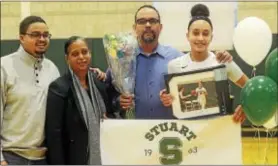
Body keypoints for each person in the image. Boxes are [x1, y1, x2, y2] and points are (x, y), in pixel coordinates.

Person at [109, 5, 233, 119]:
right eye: (142, 21)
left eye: (153, 21)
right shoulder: (122, 60)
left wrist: (222, 56)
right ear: (135, 28)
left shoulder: (176, 58)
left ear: (160, 27)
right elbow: (106, 92)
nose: (147, 25)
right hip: (134, 132)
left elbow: (202, 72)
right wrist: (117, 101)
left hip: (169, 132)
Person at [160, 4, 247, 123]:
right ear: (187, 36)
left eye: (205, 34)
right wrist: (166, 98)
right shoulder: (174, 66)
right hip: (188, 132)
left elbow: (249, 87)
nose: (200, 38)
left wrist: (245, 107)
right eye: (195, 33)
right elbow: (174, 101)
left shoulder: (223, 61)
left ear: (211, 37)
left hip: (219, 130)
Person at [44, 36, 116, 165]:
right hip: (73, 157)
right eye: (75, 54)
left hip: (103, 155)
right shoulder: (59, 87)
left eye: (84, 52)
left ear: (90, 53)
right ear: (67, 58)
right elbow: (54, 134)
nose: (81, 57)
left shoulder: (99, 83)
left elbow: (110, 113)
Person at [0, 16, 60, 165]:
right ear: (21, 38)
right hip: (11, 157)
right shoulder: (4, 67)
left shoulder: (52, 69)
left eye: (45, 35)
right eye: (35, 34)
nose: (42, 39)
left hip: (43, 158)